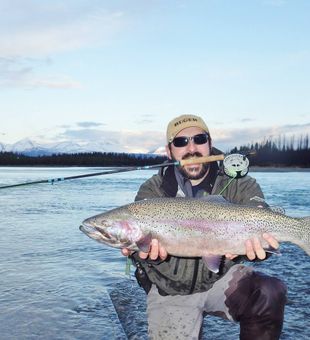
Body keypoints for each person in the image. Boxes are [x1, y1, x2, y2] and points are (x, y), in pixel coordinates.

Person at [122, 114, 287, 340]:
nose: (192, 148)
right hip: (169, 290)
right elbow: (141, 251)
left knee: (269, 292)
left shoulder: (239, 182)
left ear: (210, 144)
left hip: (222, 280)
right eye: (181, 142)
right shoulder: (152, 191)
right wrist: (148, 255)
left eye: (199, 139)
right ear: (169, 151)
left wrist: (259, 251)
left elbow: (259, 212)